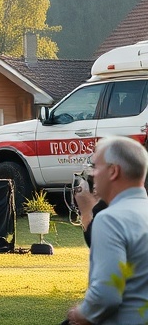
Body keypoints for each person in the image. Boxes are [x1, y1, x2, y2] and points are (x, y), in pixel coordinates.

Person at [65, 136, 148, 325]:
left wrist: (79, 314)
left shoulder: (110, 219)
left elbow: (106, 295)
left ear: (113, 171)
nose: (92, 174)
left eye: (96, 167)